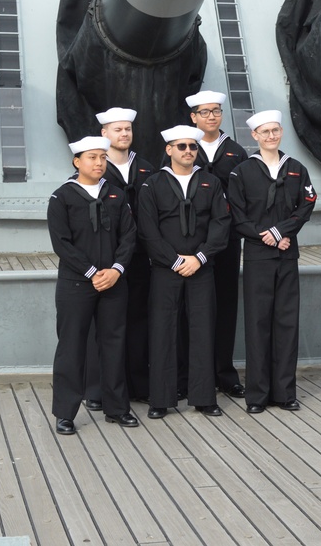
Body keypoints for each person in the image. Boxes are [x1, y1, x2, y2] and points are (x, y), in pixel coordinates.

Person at [138, 125, 231, 419]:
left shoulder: (211, 182)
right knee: (163, 331)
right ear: (169, 150)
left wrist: (200, 257)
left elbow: (221, 223)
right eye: (182, 147)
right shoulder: (152, 185)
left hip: (201, 267)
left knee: (203, 329)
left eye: (192, 146)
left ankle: (204, 397)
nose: (188, 151)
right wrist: (175, 260)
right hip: (166, 270)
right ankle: (161, 399)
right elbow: (148, 231)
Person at [47, 136, 139, 434]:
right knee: (71, 346)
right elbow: (62, 244)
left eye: (103, 157)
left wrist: (116, 269)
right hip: (77, 284)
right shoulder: (62, 198)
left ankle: (117, 408)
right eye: (92, 158)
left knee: (114, 344)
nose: (99, 163)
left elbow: (129, 236)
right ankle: (65, 412)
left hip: (114, 281)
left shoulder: (116, 195)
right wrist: (91, 272)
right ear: (77, 162)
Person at [227, 110, 317, 414]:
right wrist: (264, 235)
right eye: (265, 132)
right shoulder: (242, 172)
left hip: (287, 255)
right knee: (258, 324)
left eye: (275, 131)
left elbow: (306, 205)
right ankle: (257, 395)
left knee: (286, 323)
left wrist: (282, 232)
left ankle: (285, 392)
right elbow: (237, 214)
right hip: (257, 257)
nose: (271, 136)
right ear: (255, 136)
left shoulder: (295, 168)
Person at [82, 107, 156, 413]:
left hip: (138, 258)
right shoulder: (94, 168)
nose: (124, 134)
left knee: (138, 320)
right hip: (104, 260)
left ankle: (137, 384)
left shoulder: (148, 168)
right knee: (101, 326)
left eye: (127, 129)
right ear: (104, 134)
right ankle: (97, 389)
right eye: (117, 130)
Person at [185, 90, 249, 399]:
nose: (212, 116)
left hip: (225, 242)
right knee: (191, 309)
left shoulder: (236, 152)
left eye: (217, 111)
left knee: (224, 306)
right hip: (190, 242)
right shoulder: (183, 148)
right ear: (193, 117)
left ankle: (224, 373)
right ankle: (190, 375)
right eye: (205, 112)